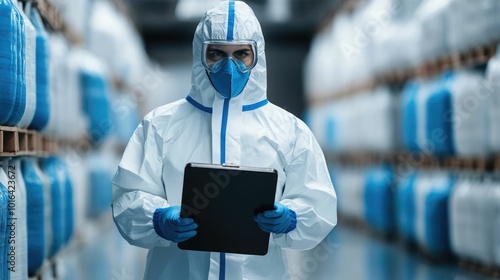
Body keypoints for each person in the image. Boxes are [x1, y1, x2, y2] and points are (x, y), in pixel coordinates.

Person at [111, 1, 337, 279]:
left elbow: (319, 205)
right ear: (199, 54)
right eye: (216, 54)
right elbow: (126, 198)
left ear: (257, 56)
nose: (228, 66)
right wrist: (157, 219)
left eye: (241, 54)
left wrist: (291, 218)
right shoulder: (159, 126)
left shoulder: (290, 131)